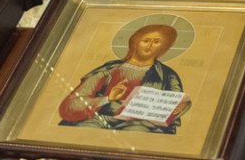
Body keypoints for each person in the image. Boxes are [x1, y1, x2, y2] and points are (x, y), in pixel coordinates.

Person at [58, 24, 187, 134]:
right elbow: (70, 106)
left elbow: (177, 103)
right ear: (135, 42)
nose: (150, 45)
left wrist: (178, 108)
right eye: (146, 40)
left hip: (142, 125)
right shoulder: (108, 70)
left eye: (157, 42)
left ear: (163, 47)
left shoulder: (167, 75)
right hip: (98, 119)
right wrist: (107, 99)